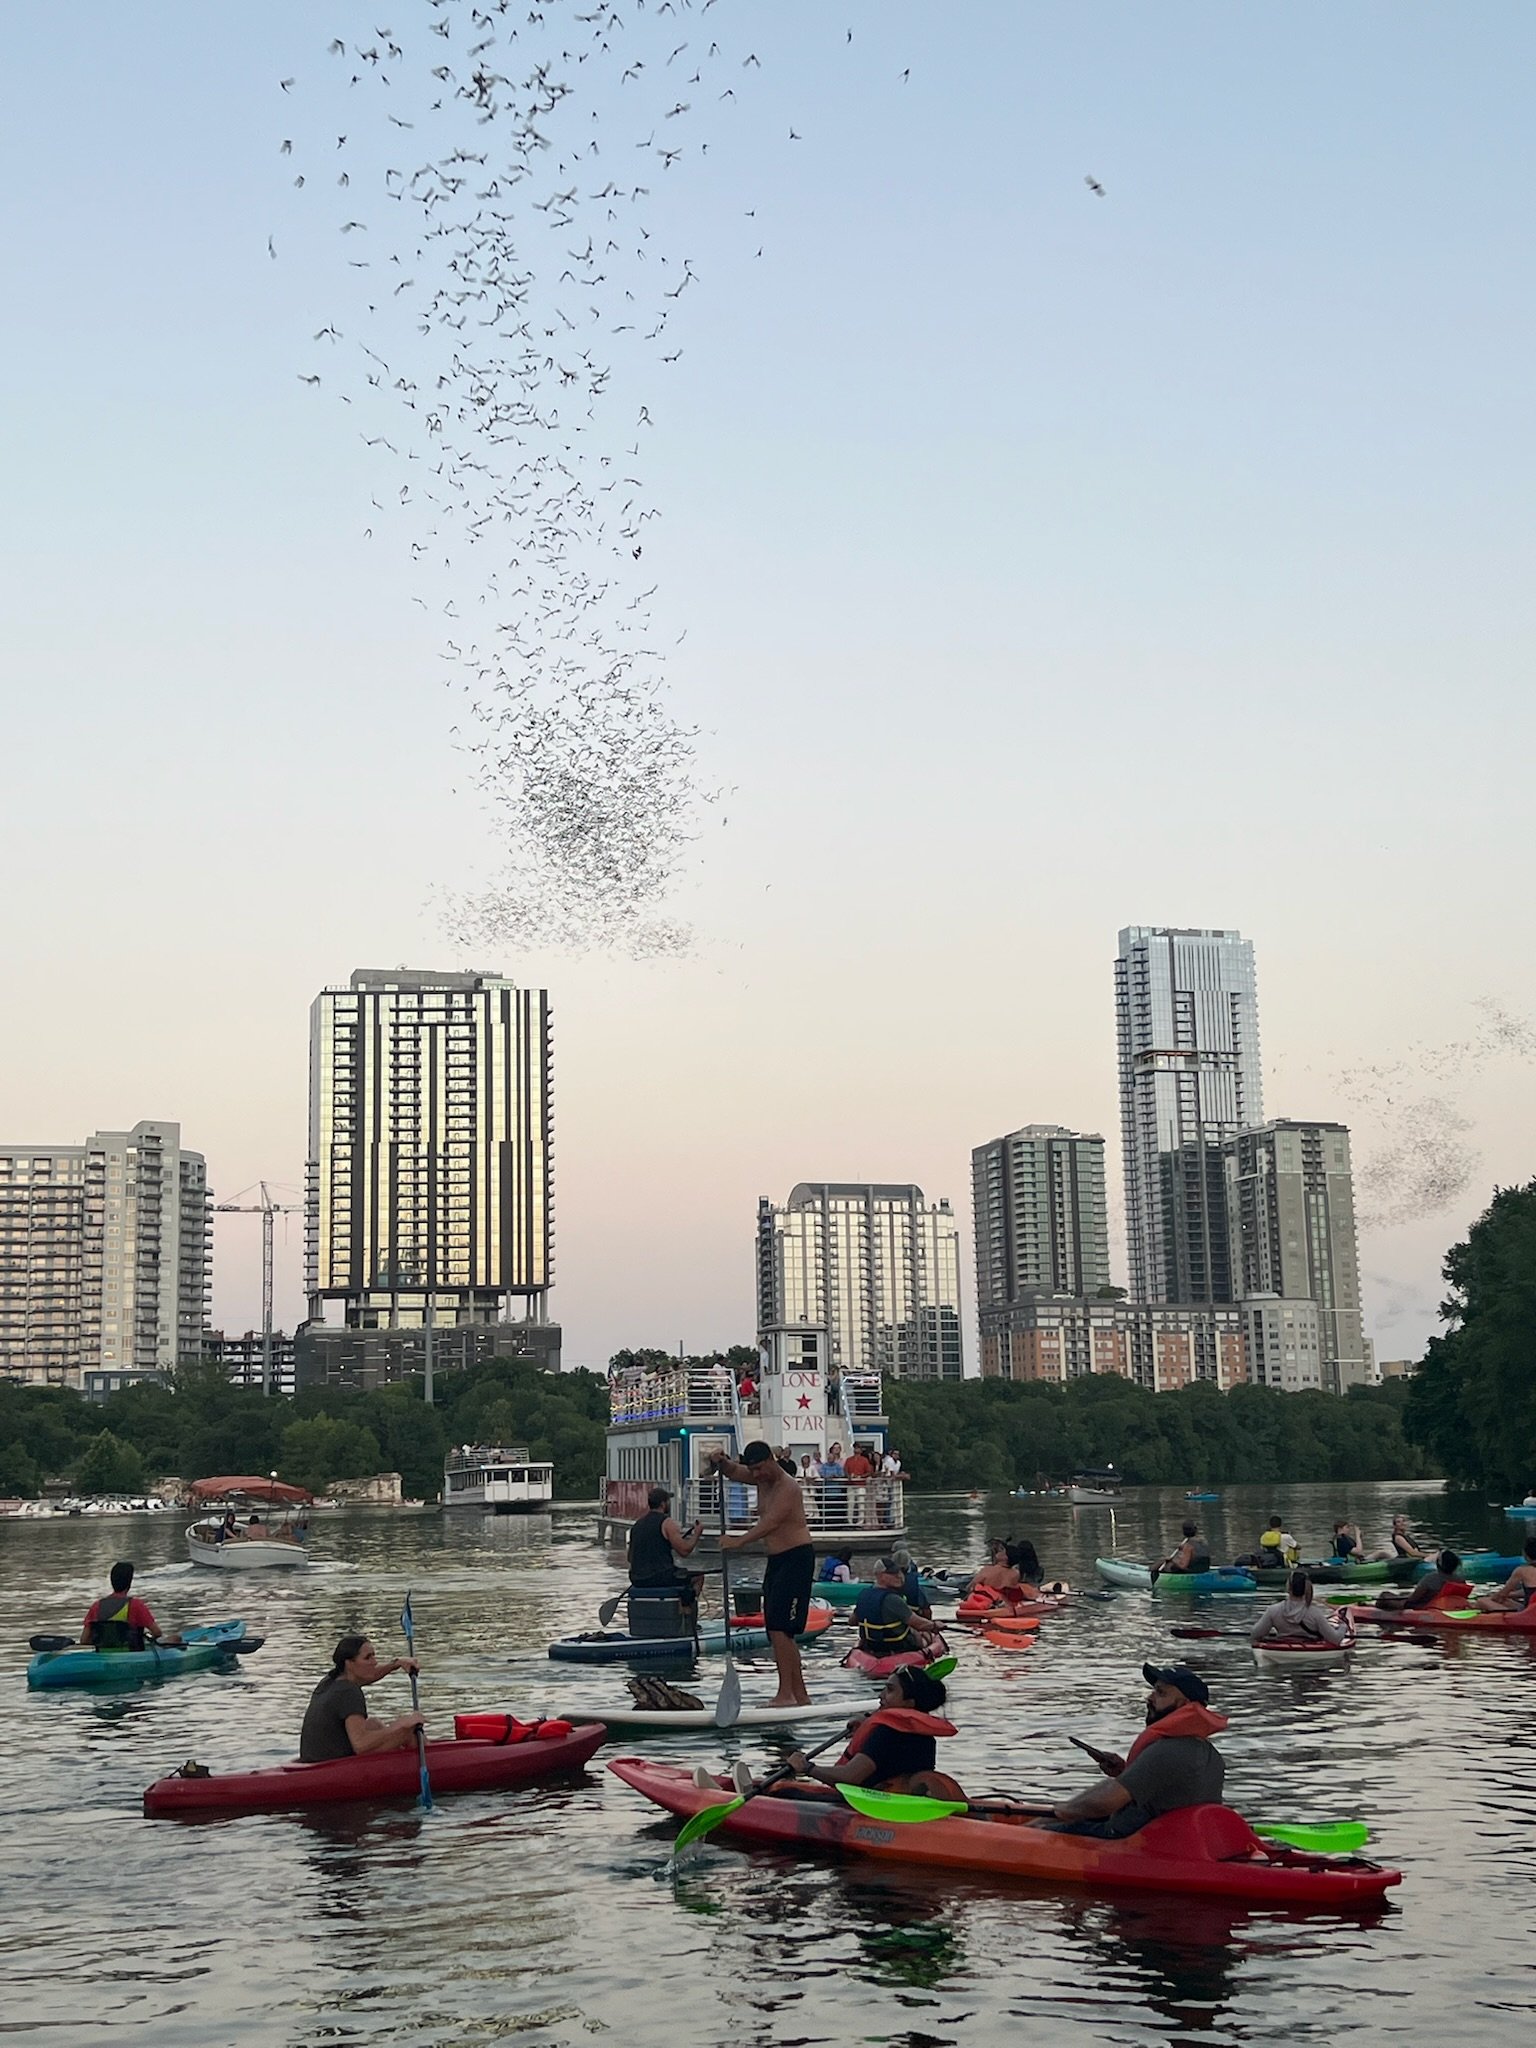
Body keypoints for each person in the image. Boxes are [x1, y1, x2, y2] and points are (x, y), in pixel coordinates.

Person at [1049, 1664, 1227, 1839]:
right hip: (1175, 1840)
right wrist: (1125, 1772)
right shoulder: (1210, 1755)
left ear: (1184, 1704)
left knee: (1040, 1827)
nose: (1150, 1698)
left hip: (1130, 1842)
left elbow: (1105, 1803)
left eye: (1161, 1692)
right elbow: (1165, 1794)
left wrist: (1063, 1809)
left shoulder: (1167, 1751)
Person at [710, 1441, 817, 1706]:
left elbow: (771, 1522)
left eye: (759, 1468)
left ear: (771, 1460)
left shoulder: (788, 1487)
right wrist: (720, 1461)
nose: (755, 1475)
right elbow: (735, 1471)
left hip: (796, 1559)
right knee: (777, 1629)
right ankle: (799, 1695)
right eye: (753, 1470)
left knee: (782, 1629)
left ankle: (785, 1694)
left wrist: (739, 1541)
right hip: (777, 1561)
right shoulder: (761, 1479)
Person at [784, 1666, 957, 1792]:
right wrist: (866, 1727)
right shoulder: (923, 1734)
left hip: (874, 1807)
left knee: (785, 1793)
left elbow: (850, 1778)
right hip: (902, 1802)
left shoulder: (886, 1733)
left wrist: (807, 1768)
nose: (881, 1695)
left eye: (890, 1690)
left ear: (909, 1703)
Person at [299, 1634, 424, 1762]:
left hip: (316, 1759)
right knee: (408, 1730)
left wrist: (396, 1663)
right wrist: (400, 1725)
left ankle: (405, 1763)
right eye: (368, 1658)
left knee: (373, 1724)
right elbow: (361, 1744)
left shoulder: (330, 1681)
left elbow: (372, 1674)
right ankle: (428, 1765)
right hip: (332, 1767)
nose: (374, 1662)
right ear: (349, 1663)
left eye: (374, 1656)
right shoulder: (349, 1692)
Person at [626, 1486, 703, 1616]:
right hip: (661, 1577)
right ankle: (686, 1610)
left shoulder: (637, 1525)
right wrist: (697, 1534)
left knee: (677, 1573)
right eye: (668, 1501)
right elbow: (684, 1551)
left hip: (637, 1578)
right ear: (663, 1504)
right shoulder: (667, 1523)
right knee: (698, 1577)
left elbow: (630, 1558)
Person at [853, 1555, 942, 1659]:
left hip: (872, 1646)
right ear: (881, 1576)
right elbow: (918, 1624)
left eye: (899, 1572)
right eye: (893, 1574)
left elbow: (852, 1621)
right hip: (898, 1647)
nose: (899, 1576)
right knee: (922, 1633)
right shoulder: (893, 1599)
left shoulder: (864, 1594)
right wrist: (934, 1625)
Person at [80, 1561, 180, 1650]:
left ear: (112, 1581)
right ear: (129, 1582)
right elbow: (157, 1633)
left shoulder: (96, 1606)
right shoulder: (136, 1604)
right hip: (132, 1653)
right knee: (176, 1638)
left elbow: (84, 1640)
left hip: (103, 1653)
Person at [1250, 1569, 1351, 1646]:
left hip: (1282, 1647)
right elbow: (1336, 1639)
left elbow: (1255, 1634)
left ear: (1288, 1587)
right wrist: (1343, 1627)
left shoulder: (1273, 1610)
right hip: (1310, 1652)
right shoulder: (1315, 1613)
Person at [1368, 1549, 1469, 1614]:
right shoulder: (1460, 1580)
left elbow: (1413, 1600)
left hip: (1423, 1607)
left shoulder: (1431, 1578)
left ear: (1439, 1564)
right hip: (1447, 1607)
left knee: (1384, 1596)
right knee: (1403, 1593)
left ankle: (1372, 1609)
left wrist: (1403, 1599)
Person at [1472, 1536, 1536, 1612]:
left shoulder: (1522, 1571)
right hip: (1530, 1610)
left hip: (1528, 1614)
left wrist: (1492, 1596)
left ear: (1525, 1554)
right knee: (1504, 1600)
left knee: (1481, 1601)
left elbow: (1502, 1594)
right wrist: (1510, 1595)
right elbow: (1531, 1590)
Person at [843, 1442, 875, 1526]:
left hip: (861, 1485)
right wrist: (849, 1476)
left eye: (858, 1448)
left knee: (861, 1504)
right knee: (850, 1504)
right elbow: (845, 1470)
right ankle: (849, 1522)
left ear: (861, 1450)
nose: (856, 1449)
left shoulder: (864, 1460)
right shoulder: (849, 1460)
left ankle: (860, 1522)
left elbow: (868, 1472)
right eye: (855, 1448)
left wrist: (860, 1476)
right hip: (851, 1484)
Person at [818, 1442, 847, 1527]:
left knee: (837, 1508)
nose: (830, 1459)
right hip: (827, 1491)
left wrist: (835, 1476)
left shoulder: (838, 1466)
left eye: (831, 1458)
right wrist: (827, 1476)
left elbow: (841, 1474)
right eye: (829, 1458)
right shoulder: (824, 1466)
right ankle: (828, 1524)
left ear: (834, 1458)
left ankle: (837, 1524)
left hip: (836, 1491)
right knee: (828, 1508)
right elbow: (822, 1474)